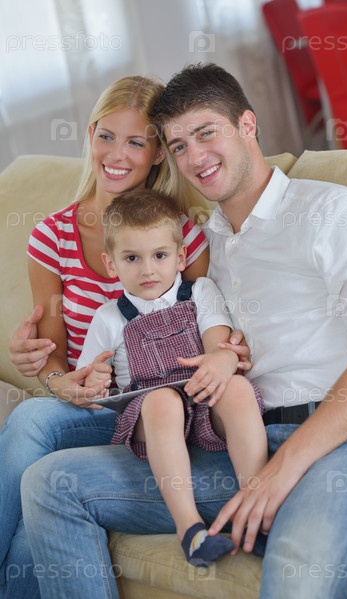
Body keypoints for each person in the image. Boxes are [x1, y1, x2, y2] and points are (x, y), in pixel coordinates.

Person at [18, 61, 347, 599]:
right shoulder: (197, 249)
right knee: (51, 484)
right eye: (178, 145)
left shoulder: (331, 211)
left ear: (248, 125)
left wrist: (280, 471)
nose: (195, 157)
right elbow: (135, 303)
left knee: (295, 576)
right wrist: (51, 364)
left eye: (206, 133)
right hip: (238, 439)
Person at [0, 74, 222, 599]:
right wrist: (60, 382)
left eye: (136, 142)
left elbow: (204, 321)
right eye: (106, 136)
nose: (117, 155)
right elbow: (54, 359)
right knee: (35, 437)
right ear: (90, 135)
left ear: (157, 155)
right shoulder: (52, 236)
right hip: (94, 409)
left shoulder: (181, 238)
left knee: (30, 432)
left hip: (162, 411)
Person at [76, 189, 267, 566]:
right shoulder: (109, 317)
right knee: (162, 400)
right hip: (152, 416)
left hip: (203, 399)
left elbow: (218, 349)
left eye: (160, 255)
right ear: (111, 263)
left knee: (236, 388)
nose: (148, 270)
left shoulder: (199, 292)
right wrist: (94, 380)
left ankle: (257, 512)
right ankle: (191, 531)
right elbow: (88, 389)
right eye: (132, 258)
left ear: (180, 256)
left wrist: (224, 358)